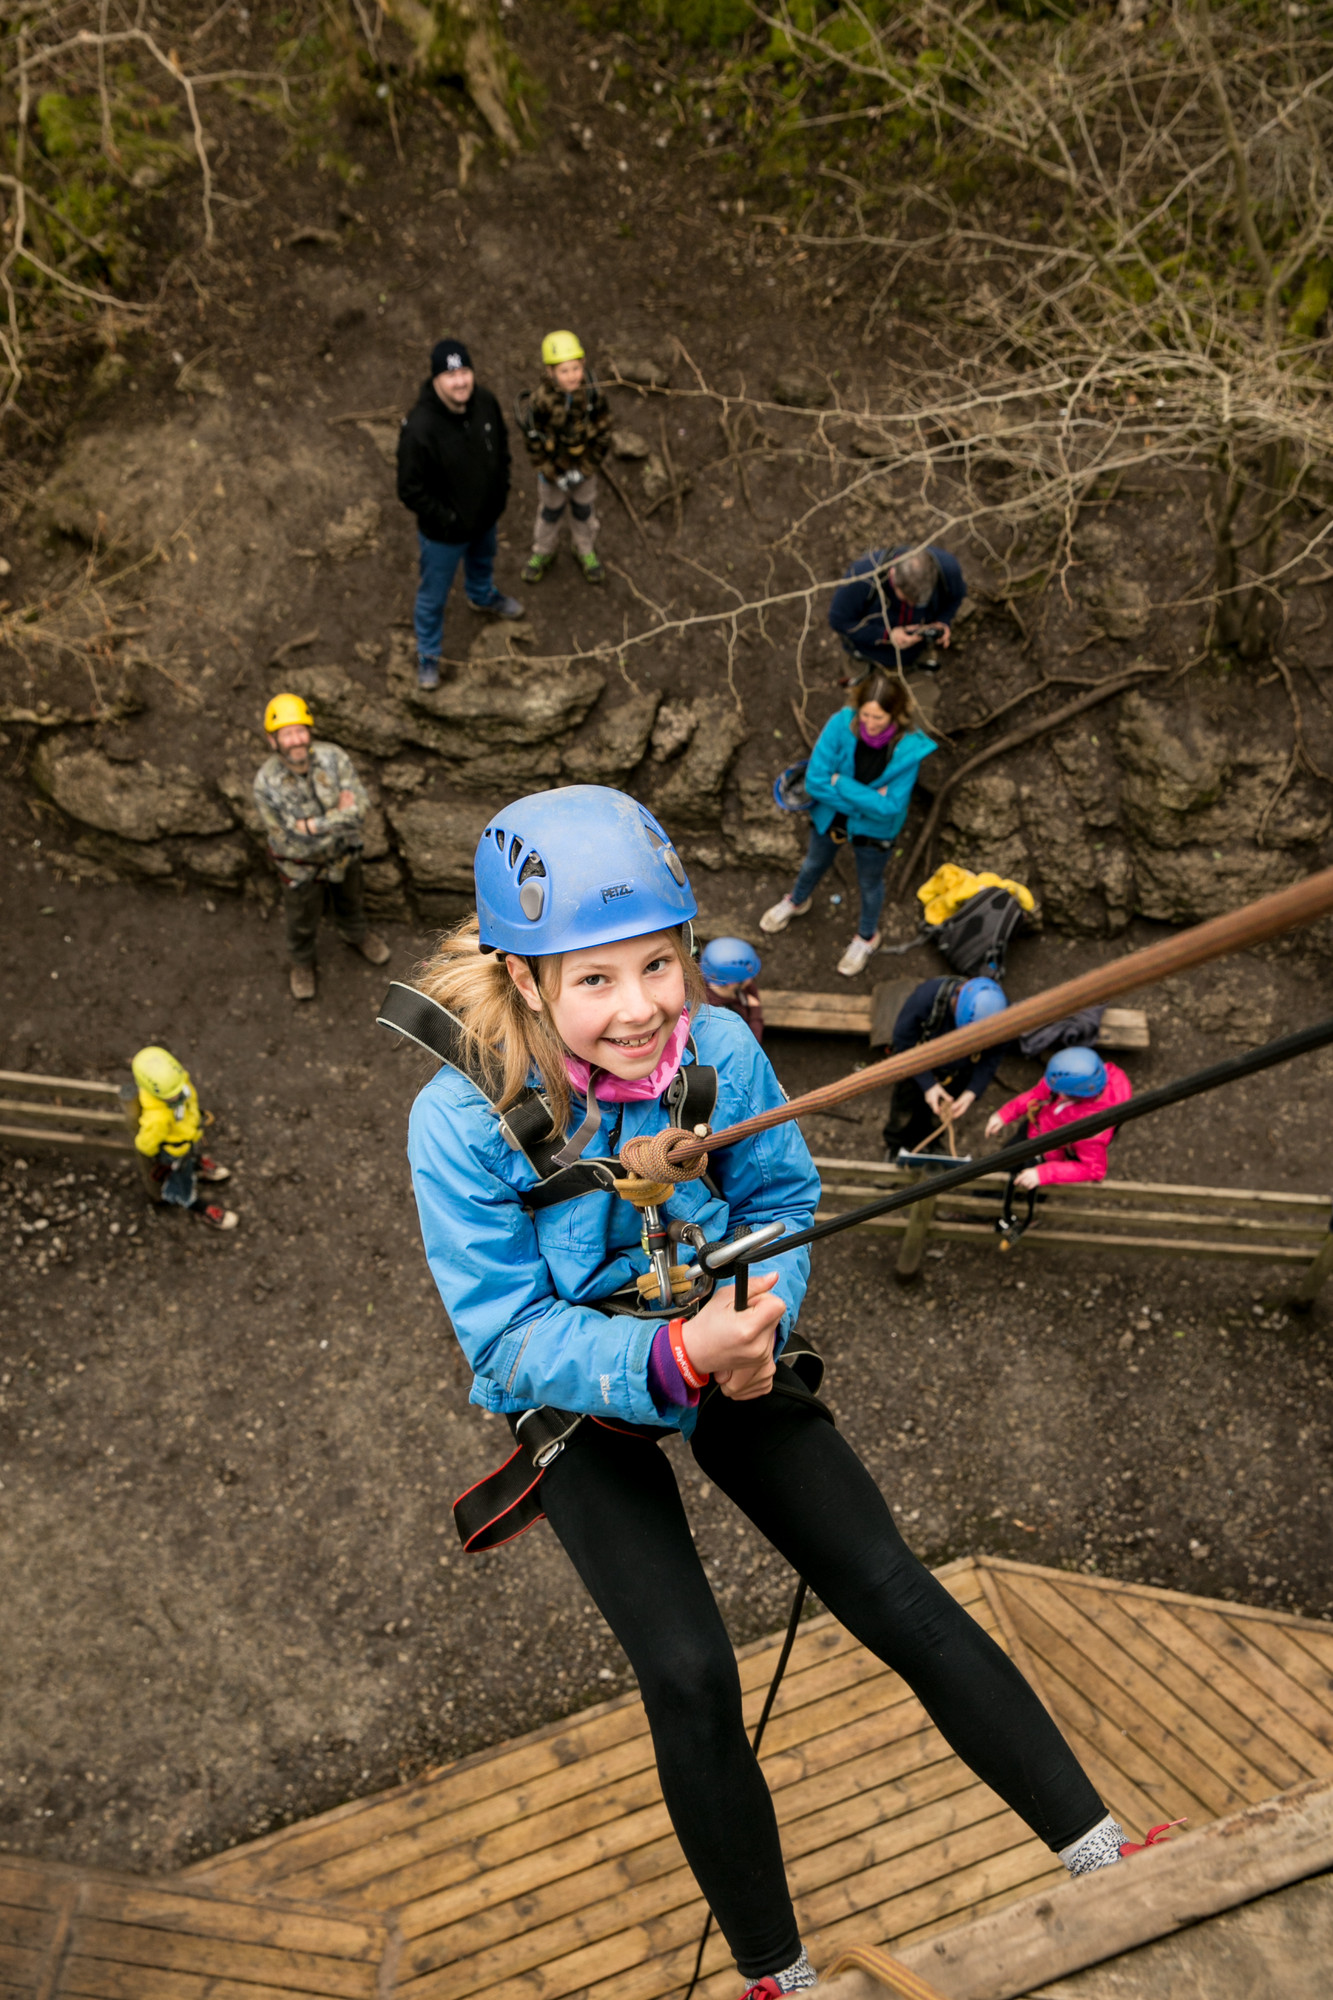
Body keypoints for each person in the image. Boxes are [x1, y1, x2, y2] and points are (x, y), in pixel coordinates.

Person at [404, 785, 1125, 2000]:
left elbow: (776, 1204)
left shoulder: (722, 1052)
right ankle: (775, 1972)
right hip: (584, 1381)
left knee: (886, 1576)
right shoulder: (461, 1120)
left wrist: (757, 1311)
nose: (639, 1007)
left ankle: (1101, 1847)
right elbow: (507, 1333)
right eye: (594, 980)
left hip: (719, 1319)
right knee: (690, 1669)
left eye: (657, 964)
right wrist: (667, 1360)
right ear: (525, 979)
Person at [760, 672, 935, 978]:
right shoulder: (841, 724)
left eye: (878, 717)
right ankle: (797, 901)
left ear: (895, 713)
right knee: (813, 863)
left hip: (874, 832)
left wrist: (840, 783)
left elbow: (891, 807)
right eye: (865, 714)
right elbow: (815, 782)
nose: (870, 723)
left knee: (869, 884)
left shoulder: (909, 749)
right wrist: (867, 800)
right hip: (833, 821)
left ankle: (867, 936)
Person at [396, 337, 522, 690]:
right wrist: (447, 518)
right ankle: (429, 654)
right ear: (437, 380)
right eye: (451, 375)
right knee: (433, 597)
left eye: (465, 371)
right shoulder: (419, 428)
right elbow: (409, 489)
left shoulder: (485, 403)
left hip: (484, 519)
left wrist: (501, 491)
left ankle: (482, 595)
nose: (461, 381)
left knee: (484, 560)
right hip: (443, 535)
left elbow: (502, 451)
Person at [253, 693, 391, 1002]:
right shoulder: (266, 783)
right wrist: (337, 818)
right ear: (273, 740)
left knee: (352, 901)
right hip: (300, 869)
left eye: (300, 730)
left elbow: (360, 811)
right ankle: (302, 962)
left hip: (345, 857)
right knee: (301, 919)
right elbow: (286, 837)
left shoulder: (334, 758)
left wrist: (311, 825)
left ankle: (356, 934)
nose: (296, 739)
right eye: (287, 734)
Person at [518, 330, 613, 587]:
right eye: (564, 371)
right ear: (550, 372)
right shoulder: (540, 402)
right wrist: (552, 473)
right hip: (553, 474)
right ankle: (543, 552)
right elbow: (533, 442)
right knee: (550, 512)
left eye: (576, 368)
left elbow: (604, 434)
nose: (572, 376)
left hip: (584, 471)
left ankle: (584, 549)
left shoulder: (593, 395)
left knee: (583, 510)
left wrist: (585, 469)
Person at [881, 976, 1009, 1156]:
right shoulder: (927, 1000)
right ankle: (895, 1146)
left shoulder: (1002, 1016)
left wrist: (972, 1091)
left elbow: (992, 1056)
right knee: (904, 1111)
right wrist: (928, 1084)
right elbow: (903, 1043)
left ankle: (931, 1143)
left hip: (958, 1072)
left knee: (939, 1116)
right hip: (916, 1066)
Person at [986, 1046, 1131, 1189]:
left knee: (1025, 1188)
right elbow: (1037, 1094)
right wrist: (1004, 1114)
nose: (1052, 1090)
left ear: (1075, 1095)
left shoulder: (1091, 1131)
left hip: (1050, 1157)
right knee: (1003, 1165)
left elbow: (1094, 1170)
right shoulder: (1084, 1077)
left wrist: (1043, 1174)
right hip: (1034, 1131)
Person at [131, 1046, 237, 1231]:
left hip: (189, 1138)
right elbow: (145, 1144)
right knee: (181, 1177)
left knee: (191, 1156)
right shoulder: (157, 1118)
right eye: (170, 1096)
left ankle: (197, 1166)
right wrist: (164, 1156)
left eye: (178, 1090)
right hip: (174, 1152)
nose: (178, 1096)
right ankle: (194, 1203)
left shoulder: (181, 1084)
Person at [829, 543, 965, 674]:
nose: (912, 606)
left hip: (914, 655)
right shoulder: (862, 576)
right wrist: (887, 635)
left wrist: (943, 621)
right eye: (906, 599)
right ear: (892, 574)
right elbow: (839, 621)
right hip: (867, 653)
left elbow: (956, 597)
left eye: (919, 603)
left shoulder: (947, 570)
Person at [700, 936, 764, 1042]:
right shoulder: (717, 1017)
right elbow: (750, 1044)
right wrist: (755, 1012)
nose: (751, 979)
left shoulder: (707, 971)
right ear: (732, 984)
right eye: (748, 977)